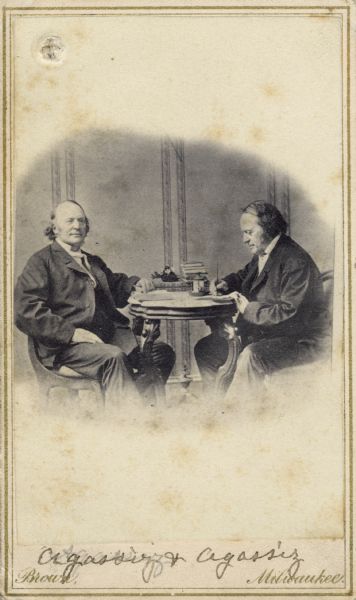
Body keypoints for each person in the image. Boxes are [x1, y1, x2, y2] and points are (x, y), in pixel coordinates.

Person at [15, 201, 175, 406]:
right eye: (70, 220)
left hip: (104, 338)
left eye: (81, 221)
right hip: (64, 347)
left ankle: (137, 408)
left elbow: (115, 286)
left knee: (160, 353)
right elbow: (25, 310)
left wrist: (134, 284)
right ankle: (128, 422)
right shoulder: (41, 262)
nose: (77, 226)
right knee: (114, 357)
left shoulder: (91, 261)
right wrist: (71, 334)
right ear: (55, 228)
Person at [194, 201, 330, 394]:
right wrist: (226, 283)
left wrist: (247, 308)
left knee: (252, 355)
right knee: (206, 349)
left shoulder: (294, 260)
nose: (244, 239)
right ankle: (216, 405)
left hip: (299, 341)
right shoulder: (265, 252)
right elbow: (245, 276)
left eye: (249, 232)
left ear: (268, 228)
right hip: (267, 334)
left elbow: (288, 312)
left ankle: (238, 416)